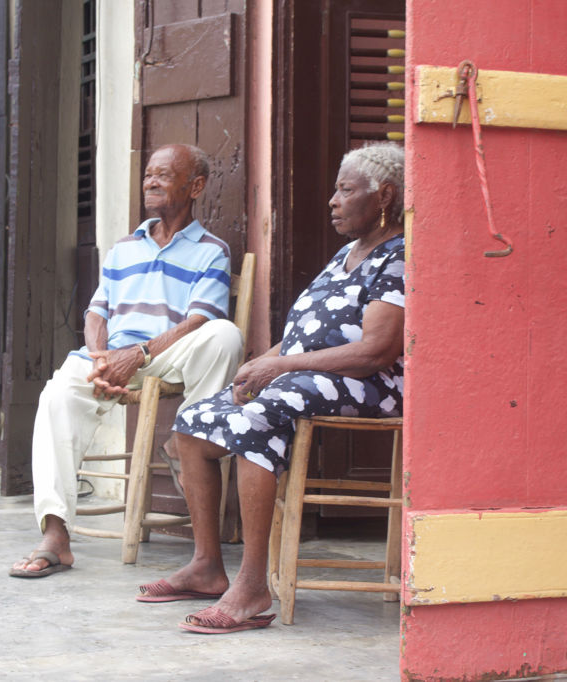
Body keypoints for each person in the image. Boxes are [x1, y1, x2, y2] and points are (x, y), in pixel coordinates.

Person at [138, 142, 406, 633]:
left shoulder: (400, 256)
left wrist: (278, 367)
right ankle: (206, 566)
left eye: (345, 190)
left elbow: (376, 351)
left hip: (372, 384)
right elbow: (306, 331)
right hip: (305, 374)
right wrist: (259, 365)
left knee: (257, 415)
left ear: (384, 195)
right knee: (195, 419)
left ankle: (253, 586)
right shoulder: (347, 252)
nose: (332, 200)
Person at [10, 144, 243, 578]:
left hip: (167, 353)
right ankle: (56, 535)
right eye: (148, 174)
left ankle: (186, 435)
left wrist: (137, 356)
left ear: (195, 186)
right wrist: (102, 359)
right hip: (114, 355)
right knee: (57, 395)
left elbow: (200, 320)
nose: (151, 182)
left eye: (163, 175)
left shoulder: (212, 250)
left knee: (224, 335)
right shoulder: (124, 248)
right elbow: (97, 312)